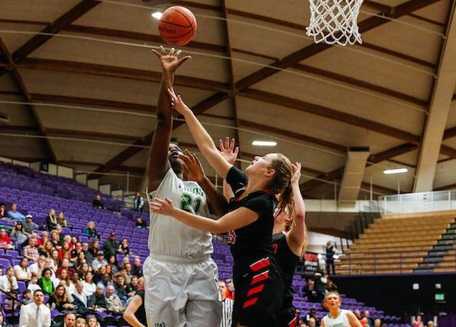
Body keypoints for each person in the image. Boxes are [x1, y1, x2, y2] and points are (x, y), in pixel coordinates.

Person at [151, 86, 295, 326]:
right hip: (246, 274)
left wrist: (173, 211)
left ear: (268, 172)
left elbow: (218, 226)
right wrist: (186, 112)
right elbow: (208, 149)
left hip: (261, 276)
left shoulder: (262, 203)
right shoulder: (242, 183)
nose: (256, 158)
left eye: (263, 159)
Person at [143, 47, 220, 327]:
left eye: (178, 147)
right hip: (165, 268)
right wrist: (168, 78)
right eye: (170, 148)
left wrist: (203, 180)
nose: (173, 149)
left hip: (202, 266)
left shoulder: (198, 184)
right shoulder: (159, 180)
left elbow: (223, 215)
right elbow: (163, 123)